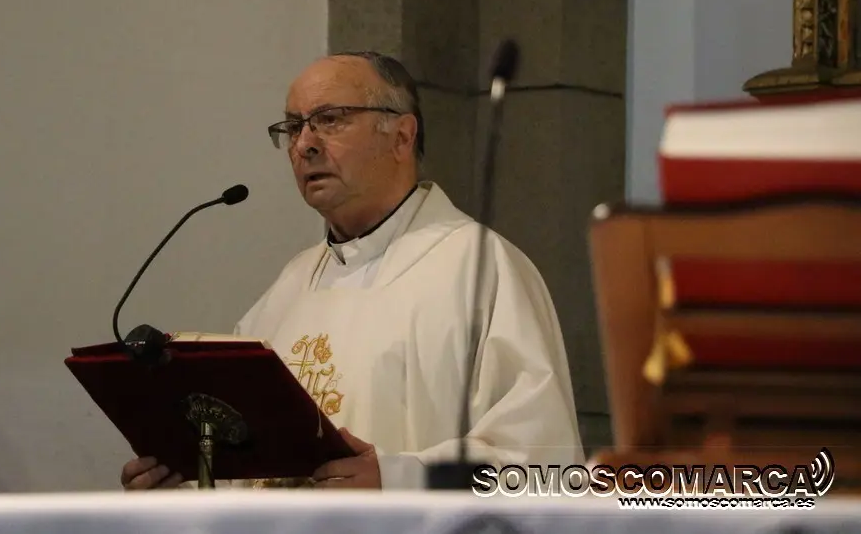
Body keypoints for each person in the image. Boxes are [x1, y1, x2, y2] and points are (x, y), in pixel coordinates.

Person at [121, 51, 584, 491]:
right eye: (293, 126)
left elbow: (546, 466)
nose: (304, 145)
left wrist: (400, 480)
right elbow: (250, 472)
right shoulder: (288, 289)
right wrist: (183, 482)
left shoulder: (482, 270)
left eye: (330, 119)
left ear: (402, 136)